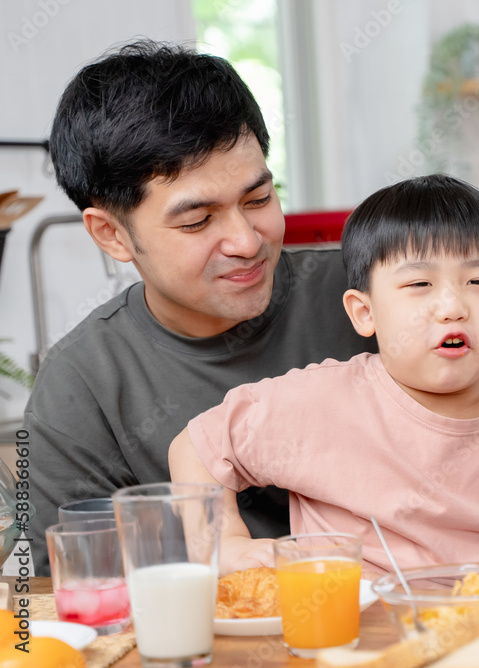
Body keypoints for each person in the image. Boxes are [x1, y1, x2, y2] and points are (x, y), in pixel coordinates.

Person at [169, 174, 479, 600]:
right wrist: (226, 547)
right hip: (345, 637)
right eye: (420, 283)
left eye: (478, 281)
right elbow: (196, 448)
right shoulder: (319, 402)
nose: (452, 306)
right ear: (364, 313)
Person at [24, 40, 375, 575]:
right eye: (196, 221)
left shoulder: (370, 295)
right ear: (112, 234)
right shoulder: (82, 387)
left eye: (259, 199)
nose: (246, 240)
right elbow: (74, 600)